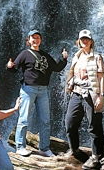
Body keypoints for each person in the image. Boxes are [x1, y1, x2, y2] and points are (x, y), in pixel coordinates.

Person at [6, 29, 68, 157]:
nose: (35, 39)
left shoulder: (45, 55)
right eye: (33, 37)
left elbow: (56, 68)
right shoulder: (24, 54)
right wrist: (9, 66)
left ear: (40, 40)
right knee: (24, 119)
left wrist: (64, 59)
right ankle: (20, 146)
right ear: (28, 41)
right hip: (28, 89)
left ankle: (44, 148)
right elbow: (14, 69)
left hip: (43, 90)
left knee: (45, 120)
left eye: (38, 37)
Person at [64, 29, 104, 169]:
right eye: (82, 39)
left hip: (92, 94)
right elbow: (71, 73)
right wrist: (69, 83)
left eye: (87, 39)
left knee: (94, 126)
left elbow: (101, 77)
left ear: (91, 41)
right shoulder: (76, 56)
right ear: (78, 41)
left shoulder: (97, 57)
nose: (84, 41)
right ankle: (75, 150)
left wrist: (101, 96)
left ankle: (97, 156)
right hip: (77, 93)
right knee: (70, 123)